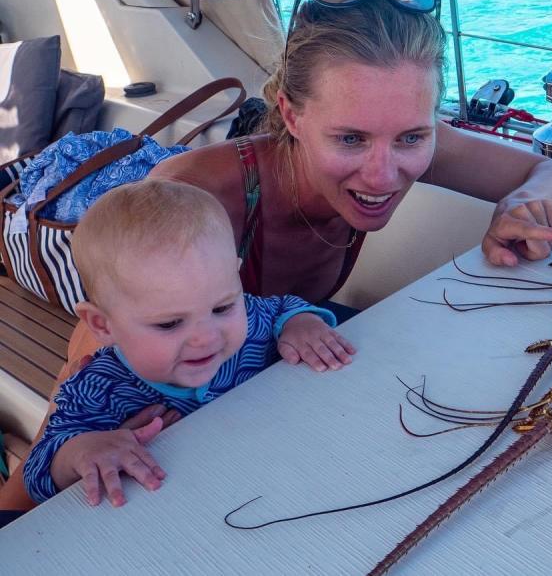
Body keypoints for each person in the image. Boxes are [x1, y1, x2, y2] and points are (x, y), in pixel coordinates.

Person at [0, 0, 552, 513]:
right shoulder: (194, 200)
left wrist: (519, 205)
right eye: (350, 138)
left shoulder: (405, 140)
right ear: (290, 114)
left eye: (412, 137)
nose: (383, 176)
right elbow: (75, 398)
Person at [23, 180, 349, 507]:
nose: (207, 337)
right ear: (102, 325)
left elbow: (281, 308)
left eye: (222, 307)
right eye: (170, 323)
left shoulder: (251, 320)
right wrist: (83, 451)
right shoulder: (98, 389)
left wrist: (301, 324)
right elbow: (37, 474)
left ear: (235, 277)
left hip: (281, 475)